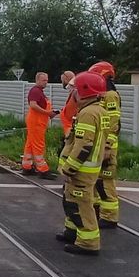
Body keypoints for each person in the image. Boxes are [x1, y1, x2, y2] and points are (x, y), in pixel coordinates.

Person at [55, 71, 108, 255]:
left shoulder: (88, 113)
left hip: (81, 170)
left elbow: (84, 145)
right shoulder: (98, 111)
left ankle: (88, 242)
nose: (73, 94)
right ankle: (72, 231)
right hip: (88, 168)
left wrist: (69, 167)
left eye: (75, 90)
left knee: (80, 204)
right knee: (72, 200)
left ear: (84, 90)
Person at [88, 61, 122, 228]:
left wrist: (108, 146)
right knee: (95, 181)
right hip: (99, 145)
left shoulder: (110, 96)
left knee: (105, 183)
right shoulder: (102, 95)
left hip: (107, 147)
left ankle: (110, 217)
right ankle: (98, 211)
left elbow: (113, 124)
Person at [21, 72, 57, 179]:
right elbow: (33, 105)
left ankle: (27, 166)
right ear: (37, 80)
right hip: (36, 122)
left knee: (30, 144)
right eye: (43, 80)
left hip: (37, 121)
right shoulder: (36, 91)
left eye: (46, 80)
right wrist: (48, 113)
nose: (46, 82)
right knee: (38, 145)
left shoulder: (38, 91)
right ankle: (43, 170)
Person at [58, 70, 78, 140]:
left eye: (62, 80)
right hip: (70, 126)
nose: (62, 82)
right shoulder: (75, 88)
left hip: (71, 127)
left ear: (66, 78)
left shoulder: (73, 87)